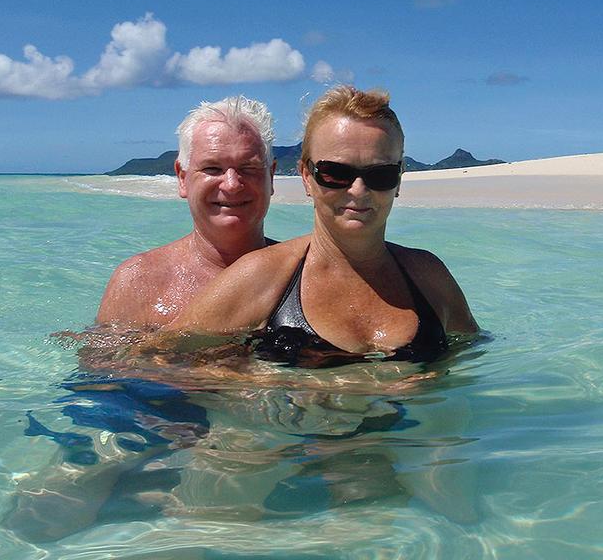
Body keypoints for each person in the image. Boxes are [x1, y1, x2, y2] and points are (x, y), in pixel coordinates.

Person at [158, 85, 477, 365]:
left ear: (399, 178)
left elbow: (474, 361)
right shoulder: (260, 277)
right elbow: (151, 362)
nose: (358, 190)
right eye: (336, 173)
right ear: (306, 176)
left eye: (380, 174)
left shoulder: (429, 277)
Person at [96, 95, 276, 328]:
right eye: (212, 168)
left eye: (248, 168)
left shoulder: (305, 275)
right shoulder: (138, 282)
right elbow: (101, 363)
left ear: (270, 177)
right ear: (183, 178)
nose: (232, 184)